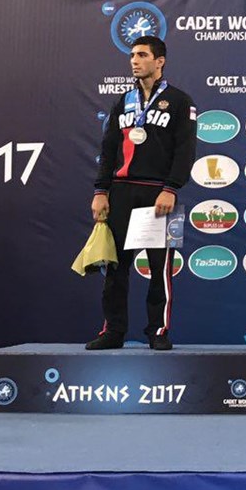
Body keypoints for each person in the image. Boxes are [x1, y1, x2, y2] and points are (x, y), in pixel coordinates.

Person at [86, 36, 197, 351]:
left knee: (159, 269)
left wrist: (171, 188)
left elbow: (185, 150)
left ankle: (158, 331)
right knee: (115, 267)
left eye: (142, 55)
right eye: (133, 55)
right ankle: (113, 331)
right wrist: (101, 190)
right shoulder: (123, 101)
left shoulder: (180, 101)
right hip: (121, 192)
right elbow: (108, 149)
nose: (134, 60)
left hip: (158, 194)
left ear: (160, 61)